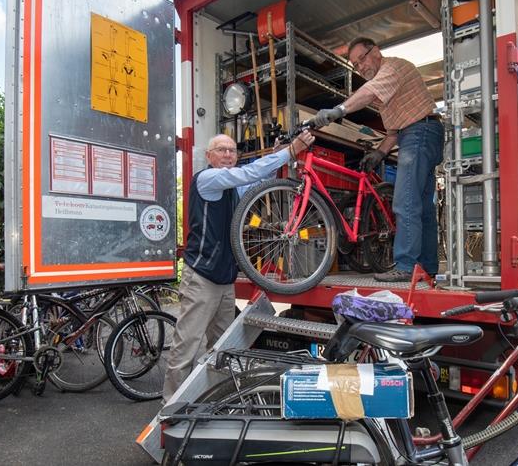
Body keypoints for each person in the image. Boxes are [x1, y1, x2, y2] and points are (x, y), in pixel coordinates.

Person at [162, 130, 315, 403]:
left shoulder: (231, 188)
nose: (227, 155)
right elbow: (246, 174)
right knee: (188, 344)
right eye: (221, 150)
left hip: (224, 279)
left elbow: (258, 177)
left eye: (232, 151)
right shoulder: (208, 179)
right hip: (202, 277)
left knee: (224, 346)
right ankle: (171, 405)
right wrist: (289, 151)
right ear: (209, 156)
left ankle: (216, 398)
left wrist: (274, 156)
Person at [314, 37, 443, 282]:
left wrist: (339, 110)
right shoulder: (388, 88)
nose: (360, 67)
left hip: (420, 131)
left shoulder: (392, 68)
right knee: (422, 207)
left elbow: (367, 92)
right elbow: (395, 131)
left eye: (362, 58)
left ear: (376, 51)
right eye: (355, 65)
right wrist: (380, 153)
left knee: (405, 202)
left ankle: (405, 266)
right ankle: (426, 267)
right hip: (419, 132)